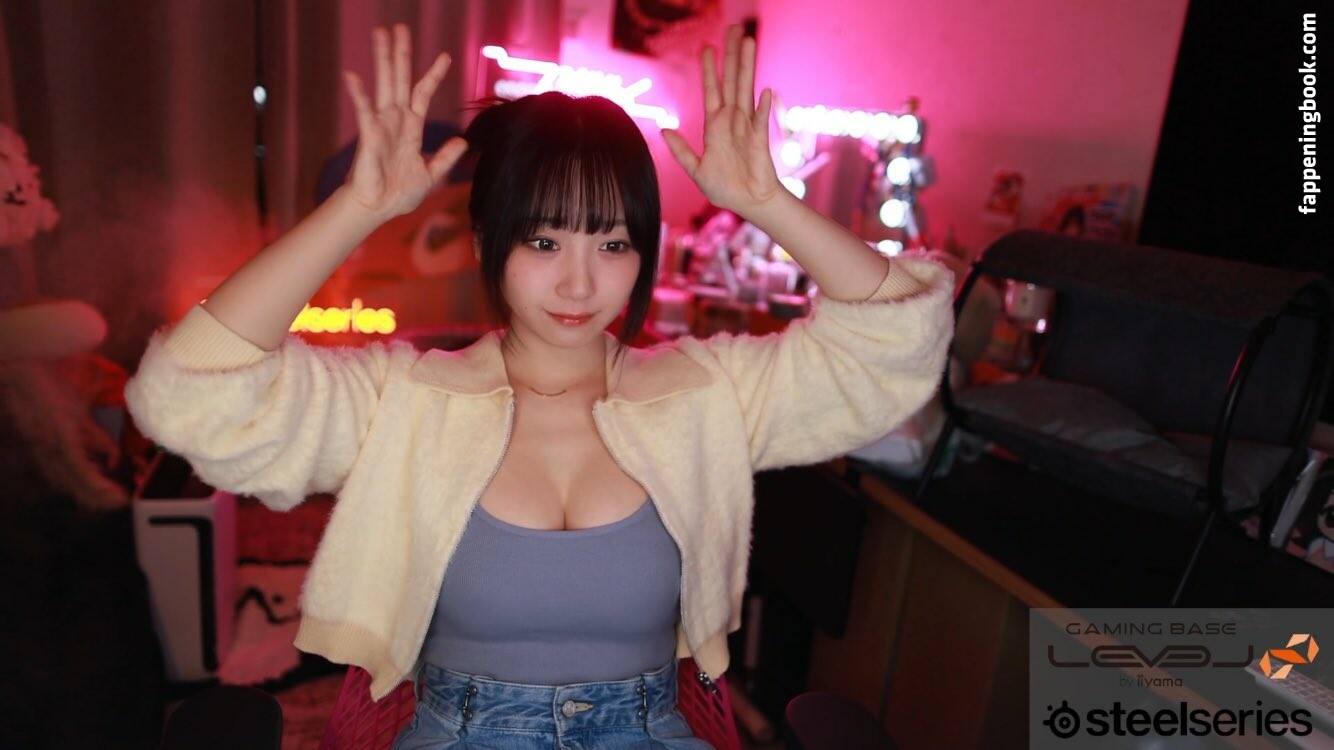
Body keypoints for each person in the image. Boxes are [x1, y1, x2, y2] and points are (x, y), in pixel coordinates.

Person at [125, 22, 953, 749]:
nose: (580, 285)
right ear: (485, 238)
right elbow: (189, 396)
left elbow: (898, 344)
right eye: (544, 242)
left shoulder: (706, 394)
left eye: (614, 244)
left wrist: (769, 205)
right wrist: (356, 210)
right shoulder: (405, 402)